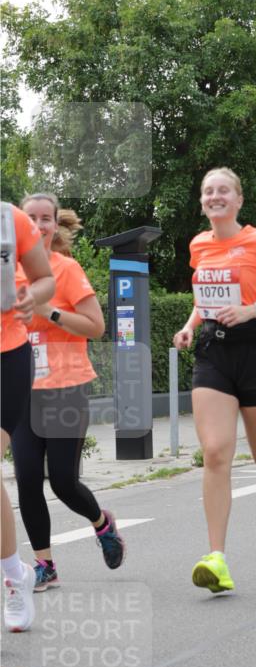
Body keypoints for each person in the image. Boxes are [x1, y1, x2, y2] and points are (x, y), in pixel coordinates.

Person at [173, 167, 256, 593]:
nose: (215, 196)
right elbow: (203, 297)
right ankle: (217, 558)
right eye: (208, 191)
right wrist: (191, 324)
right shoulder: (198, 245)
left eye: (223, 190)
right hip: (214, 352)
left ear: (238, 199)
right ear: (202, 200)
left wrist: (253, 309)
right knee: (215, 453)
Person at [11, 194, 123, 592]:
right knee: (26, 482)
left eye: (47, 219)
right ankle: (45, 564)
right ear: (18, 225)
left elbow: (96, 327)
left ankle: (102, 524)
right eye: (31, 218)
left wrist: (48, 313)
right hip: (21, 391)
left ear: (56, 226)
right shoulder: (9, 273)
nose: (40, 226)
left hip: (66, 388)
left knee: (62, 482)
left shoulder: (66, 270)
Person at [1, 202, 54, 631]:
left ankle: (14, 580)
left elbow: (46, 279)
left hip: (7, 355)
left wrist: (29, 299)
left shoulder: (10, 219)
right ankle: (18, 570)